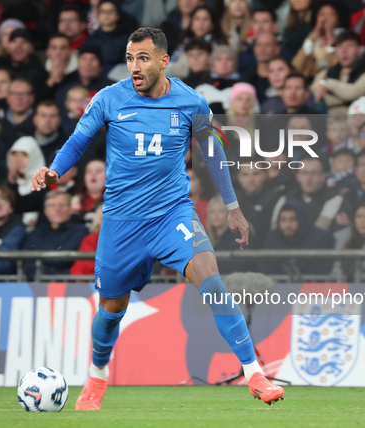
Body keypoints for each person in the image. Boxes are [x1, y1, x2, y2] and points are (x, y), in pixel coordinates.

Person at [30, 27, 284, 409]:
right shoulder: (109, 99)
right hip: (122, 222)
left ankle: (254, 374)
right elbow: (79, 139)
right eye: (131, 58)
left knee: (211, 279)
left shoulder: (191, 102)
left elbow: (211, 151)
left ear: (164, 61)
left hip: (171, 214)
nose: (134, 66)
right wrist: (55, 170)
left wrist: (232, 206)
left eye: (143, 58)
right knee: (111, 309)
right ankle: (97, 377)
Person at [22, 190, 88, 279]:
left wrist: (44, 267)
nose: (57, 209)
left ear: (70, 209)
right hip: (38, 287)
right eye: (52, 205)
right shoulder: (36, 232)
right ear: (45, 211)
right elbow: (27, 263)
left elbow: (62, 260)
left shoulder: (80, 230)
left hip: (71, 286)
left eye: (62, 205)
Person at [311, 30, 365, 114]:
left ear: (360, 49)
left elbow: (353, 94)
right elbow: (314, 93)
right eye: (339, 46)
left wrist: (327, 85)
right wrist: (342, 96)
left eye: (349, 46)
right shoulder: (325, 73)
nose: (343, 51)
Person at [260, 201, 334, 275]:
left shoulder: (321, 238)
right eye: (283, 220)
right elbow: (267, 268)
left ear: (301, 219)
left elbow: (320, 271)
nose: (287, 225)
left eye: (293, 219)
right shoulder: (272, 238)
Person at [85, 0, 131, 75]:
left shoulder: (126, 40)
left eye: (110, 11)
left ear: (118, 15)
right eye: (103, 12)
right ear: (97, 15)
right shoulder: (90, 40)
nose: (106, 15)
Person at [0, 78, 36, 150]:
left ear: (32, 98)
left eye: (23, 94)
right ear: (7, 98)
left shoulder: (39, 124)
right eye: (14, 94)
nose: (18, 98)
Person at [70, 204, 104, 276]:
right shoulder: (91, 240)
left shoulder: (131, 241)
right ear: (98, 222)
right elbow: (79, 270)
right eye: (104, 219)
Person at [72, 159, 105, 229]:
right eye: (89, 171)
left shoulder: (114, 202)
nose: (93, 174)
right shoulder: (74, 201)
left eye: (98, 171)